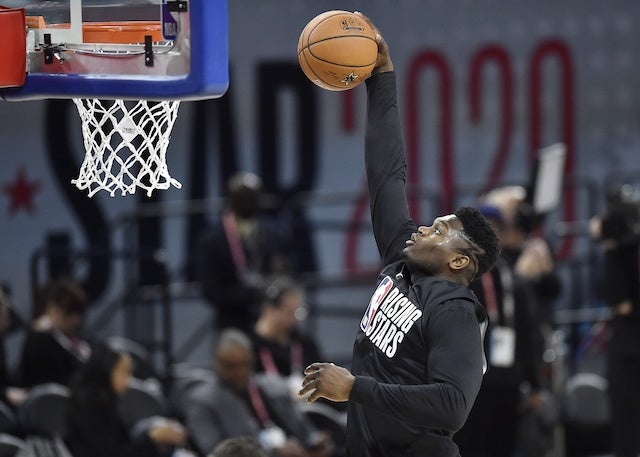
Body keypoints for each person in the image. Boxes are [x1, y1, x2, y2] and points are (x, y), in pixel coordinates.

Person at [298, 13, 500, 457]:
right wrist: (381, 78)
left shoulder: (455, 311)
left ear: (459, 261)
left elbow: (451, 407)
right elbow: (387, 174)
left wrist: (355, 388)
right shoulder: (400, 255)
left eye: (441, 229)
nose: (426, 227)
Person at [453, 205, 544, 457]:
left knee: (504, 446)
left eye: (495, 231)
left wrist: (535, 385)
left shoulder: (515, 280)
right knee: (470, 446)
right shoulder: (460, 278)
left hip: (509, 380)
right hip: (473, 384)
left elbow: (529, 332)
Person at [182, 328, 333, 457]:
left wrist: (313, 443)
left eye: (245, 364)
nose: (239, 372)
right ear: (216, 363)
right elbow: (215, 451)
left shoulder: (272, 387)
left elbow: (304, 431)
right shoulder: (202, 400)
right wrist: (273, 452)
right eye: (231, 366)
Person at [197, 172, 293, 333]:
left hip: (271, 319)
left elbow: (287, 272)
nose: (248, 202)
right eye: (241, 197)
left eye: (252, 196)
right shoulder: (213, 240)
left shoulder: (274, 234)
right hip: (231, 321)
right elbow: (210, 289)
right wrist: (249, 294)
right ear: (230, 200)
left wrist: (272, 290)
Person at [65, 342, 188, 457]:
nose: (129, 379)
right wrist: (153, 437)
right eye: (124, 372)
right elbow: (114, 454)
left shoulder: (107, 400)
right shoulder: (89, 406)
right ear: (107, 371)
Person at [590, 183, 640, 457]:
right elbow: (615, 298)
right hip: (628, 346)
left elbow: (620, 302)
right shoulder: (625, 248)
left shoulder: (625, 250)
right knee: (626, 431)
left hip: (630, 344)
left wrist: (610, 246)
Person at [18, 278, 92, 387]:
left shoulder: (70, 339)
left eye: (79, 313)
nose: (76, 321)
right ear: (54, 309)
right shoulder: (39, 340)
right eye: (70, 312)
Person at [251, 276, 323, 387]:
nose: (294, 319)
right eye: (289, 312)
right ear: (269, 309)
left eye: (298, 311)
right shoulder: (251, 347)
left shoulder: (302, 343)